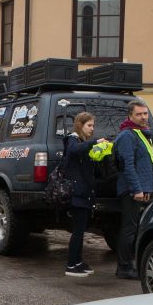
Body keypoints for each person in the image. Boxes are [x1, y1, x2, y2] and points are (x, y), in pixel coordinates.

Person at [114, 100, 153, 279]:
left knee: (135, 228)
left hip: (140, 189)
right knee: (129, 229)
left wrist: (146, 188)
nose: (143, 117)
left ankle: (129, 265)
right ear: (130, 116)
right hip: (131, 190)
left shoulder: (141, 134)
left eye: (145, 113)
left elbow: (144, 164)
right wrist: (137, 189)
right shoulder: (127, 136)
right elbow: (128, 166)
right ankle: (124, 267)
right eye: (139, 114)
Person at [62, 113, 108, 278]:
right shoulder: (72, 139)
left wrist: (99, 155)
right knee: (78, 231)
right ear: (80, 125)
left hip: (86, 194)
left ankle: (78, 261)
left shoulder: (83, 143)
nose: (92, 129)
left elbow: (91, 168)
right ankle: (71, 265)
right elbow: (75, 150)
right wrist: (95, 143)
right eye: (89, 125)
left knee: (81, 229)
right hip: (76, 193)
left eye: (93, 126)